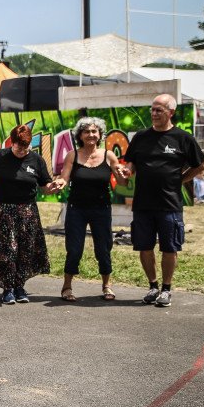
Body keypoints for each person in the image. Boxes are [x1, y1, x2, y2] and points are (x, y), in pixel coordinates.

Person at [122, 93, 204, 307]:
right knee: (144, 246)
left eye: (159, 110)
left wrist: (180, 179)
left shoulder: (183, 138)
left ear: (171, 112)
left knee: (170, 248)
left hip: (169, 204)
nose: (154, 113)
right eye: (152, 109)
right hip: (142, 204)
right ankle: (152, 286)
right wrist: (126, 171)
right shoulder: (141, 137)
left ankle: (166, 289)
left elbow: (200, 166)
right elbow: (130, 163)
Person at [0, 124, 64, 305]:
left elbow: (45, 186)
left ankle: (20, 286)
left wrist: (54, 187)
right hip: (2, 210)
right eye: (18, 147)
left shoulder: (37, 160)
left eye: (25, 147)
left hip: (27, 210)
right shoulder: (1, 156)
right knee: (6, 250)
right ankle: (8, 289)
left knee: (25, 249)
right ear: (11, 142)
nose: (21, 151)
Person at [57, 116, 128, 302]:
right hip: (76, 209)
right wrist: (59, 183)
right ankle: (67, 286)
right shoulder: (72, 155)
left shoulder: (108, 155)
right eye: (86, 131)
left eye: (94, 131)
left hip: (101, 209)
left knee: (103, 248)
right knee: (74, 249)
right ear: (80, 135)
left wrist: (121, 174)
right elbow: (64, 178)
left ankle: (106, 285)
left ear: (100, 134)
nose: (90, 134)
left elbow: (121, 181)